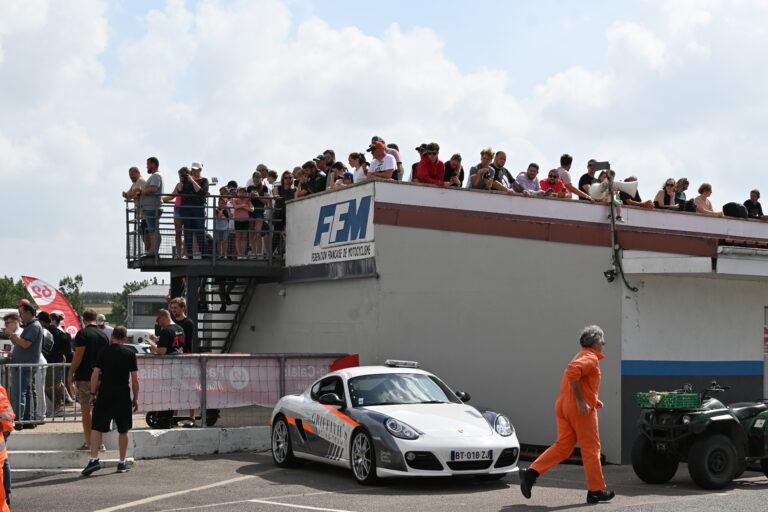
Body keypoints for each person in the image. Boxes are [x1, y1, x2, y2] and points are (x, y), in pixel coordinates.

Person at [520, 325, 614, 504]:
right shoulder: (590, 357)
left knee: (563, 447)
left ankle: (531, 474)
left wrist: (591, 399)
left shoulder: (580, 355)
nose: (604, 344)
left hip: (563, 405)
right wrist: (581, 401)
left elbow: (578, 380)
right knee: (591, 449)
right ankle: (595, 490)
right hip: (578, 410)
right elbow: (572, 372)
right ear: (595, 342)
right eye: (602, 340)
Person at [81, 326, 140, 476]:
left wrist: (92, 393)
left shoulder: (103, 351)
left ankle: (94, 459)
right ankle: (121, 462)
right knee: (123, 430)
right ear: (125, 338)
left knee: (97, 427)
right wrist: (135, 398)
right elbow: (135, 379)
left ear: (112, 336)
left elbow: (95, 375)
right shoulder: (130, 353)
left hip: (105, 394)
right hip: (122, 395)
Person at [69, 309, 109, 451]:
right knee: (98, 411)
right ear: (96, 319)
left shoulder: (83, 334)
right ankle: (100, 442)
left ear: (83, 320)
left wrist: (70, 373)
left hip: (85, 377)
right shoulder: (104, 335)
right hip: (101, 377)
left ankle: (90, 443)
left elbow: (78, 355)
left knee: (86, 412)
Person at [4, 304, 43, 427]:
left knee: (20, 393)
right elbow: (19, 343)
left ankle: (20, 420)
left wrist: (12, 334)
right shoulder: (30, 326)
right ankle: (27, 419)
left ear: (29, 313)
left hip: (25, 366)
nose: (20, 315)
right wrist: (11, 335)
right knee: (26, 393)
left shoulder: (34, 327)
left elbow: (25, 344)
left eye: (21, 313)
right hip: (24, 365)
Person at [179, 163, 209, 259]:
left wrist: (192, 181)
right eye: (193, 169)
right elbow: (180, 192)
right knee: (187, 232)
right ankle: (189, 255)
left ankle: (203, 254)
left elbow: (201, 192)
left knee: (200, 231)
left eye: (196, 169)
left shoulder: (204, 180)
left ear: (200, 170)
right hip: (186, 208)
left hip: (198, 208)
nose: (194, 171)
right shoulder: (186, 180)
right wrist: (181, 182)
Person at [140, 156, 163, 255]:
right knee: (153, 230)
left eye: (148, 164)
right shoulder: (155, 176)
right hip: (151, 208)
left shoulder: (156, 176)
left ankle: (153, 251)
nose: (147, 167)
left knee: (153, 231)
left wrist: (142, 192)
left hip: (152, 208)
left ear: (153, 165)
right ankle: (153, 251)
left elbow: (154, 188)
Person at [0, 383, 14, 507]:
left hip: (3, 427)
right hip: (5, 426)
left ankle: (6, 495)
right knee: (4, 461)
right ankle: (6, 495)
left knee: (3, 462)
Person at [231, 187, 254, 258]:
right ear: (237, 193)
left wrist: (243, 207)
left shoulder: (247, 200)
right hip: (237, 220)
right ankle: (239, 254)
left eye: (243, 192)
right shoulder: (234, 199)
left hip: (245, 220)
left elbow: (252, 209)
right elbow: (235, 206)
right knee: (238, 237)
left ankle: (243, 254)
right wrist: (244, 205)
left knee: (244, 238)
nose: (242, 193)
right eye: (240, 192)